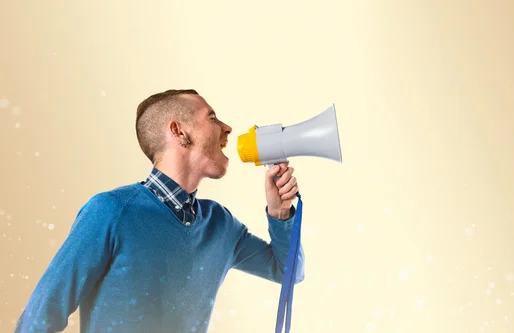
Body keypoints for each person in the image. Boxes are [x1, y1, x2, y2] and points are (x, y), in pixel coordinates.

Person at [14, 89, 305, 333]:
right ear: (178, 131)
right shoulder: (111, 212)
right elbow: (40, 316)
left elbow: (289, 272)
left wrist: (280, 215)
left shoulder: (220, 224)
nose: (227, 128)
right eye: (212, 118)